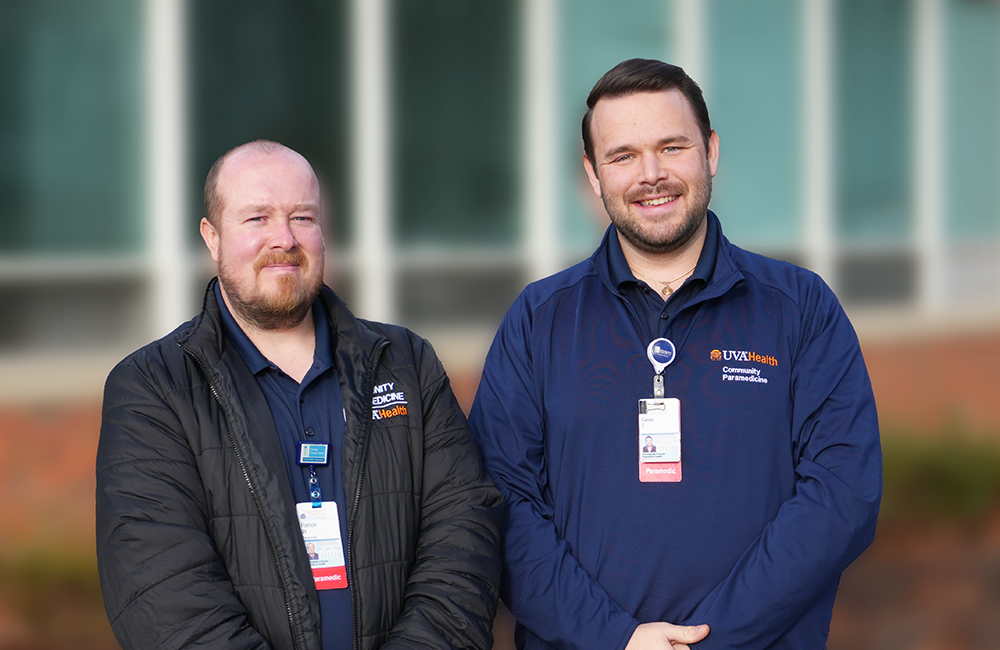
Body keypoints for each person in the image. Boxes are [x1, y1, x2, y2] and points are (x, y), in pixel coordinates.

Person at [469, 59, 881, 650]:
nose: (651, 174)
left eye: (672, 146)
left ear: (710, 152)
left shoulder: (800, 308)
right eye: (623, 156)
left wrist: (710, 640)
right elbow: (499, 502)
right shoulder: (539, 321)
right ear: (592, 174)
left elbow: (843, 494)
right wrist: (616, 639)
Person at [97, 140, 504, 650]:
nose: (284, 239)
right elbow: (164, 594)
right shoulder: (153, 387)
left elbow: (465, 541)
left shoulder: (406, 363)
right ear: (212, 237)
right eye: (257, 219)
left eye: (302, 217)